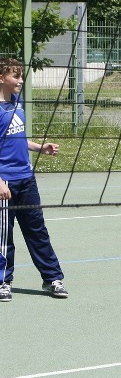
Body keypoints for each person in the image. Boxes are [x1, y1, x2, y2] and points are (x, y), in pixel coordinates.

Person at [0, 57, 68, 301]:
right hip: (4, 181)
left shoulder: (17, 103)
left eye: (21, 75)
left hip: (27, 179)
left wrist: (40, 147)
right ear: (1, 78)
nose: (20, 80)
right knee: (3, 236)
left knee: (37, 231)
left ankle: (52, 278)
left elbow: (17, 138)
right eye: (15, 76)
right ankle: (3, 281)